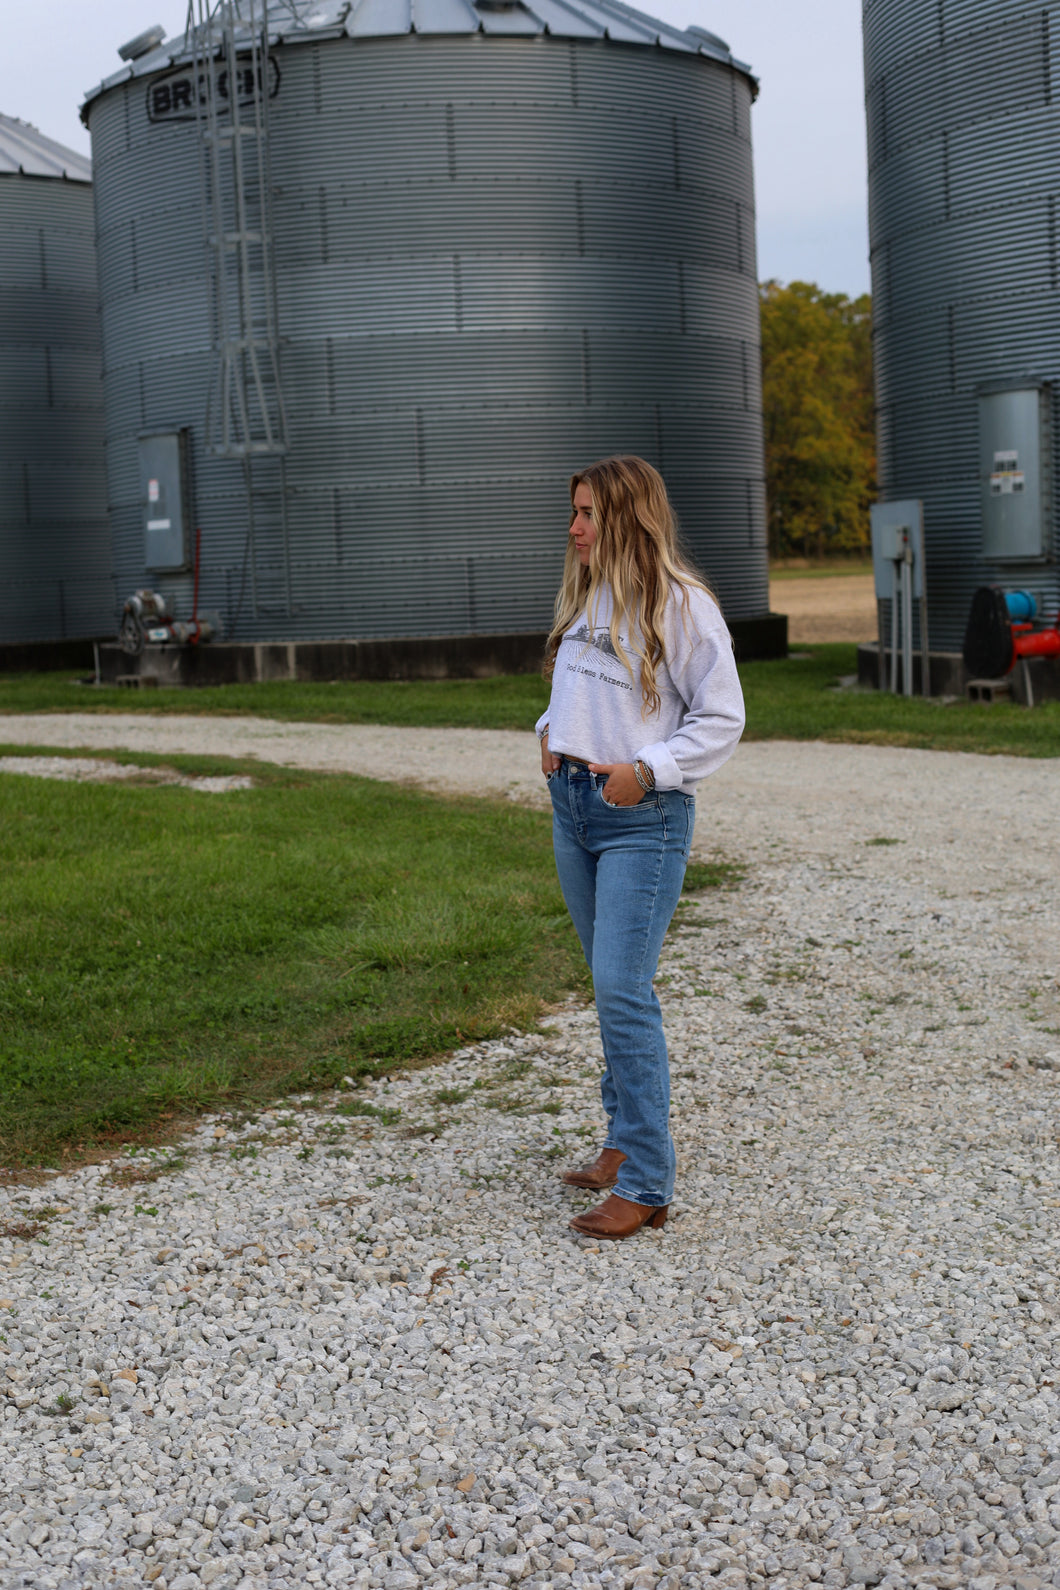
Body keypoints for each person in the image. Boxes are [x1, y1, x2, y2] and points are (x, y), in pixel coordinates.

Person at [536, 456, 745, 1240]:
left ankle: (649, 1183)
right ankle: (623, 1142)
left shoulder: (685, 606)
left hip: (642, 820)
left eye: (588, 513)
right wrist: (547, 734)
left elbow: (722, 718)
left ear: (627, 517)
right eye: (576, 511)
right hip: (575, 812)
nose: (575, 527)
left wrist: (648, 771)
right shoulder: (589, 593)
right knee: (608, 984)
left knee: (624, 988)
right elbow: (578, 689)